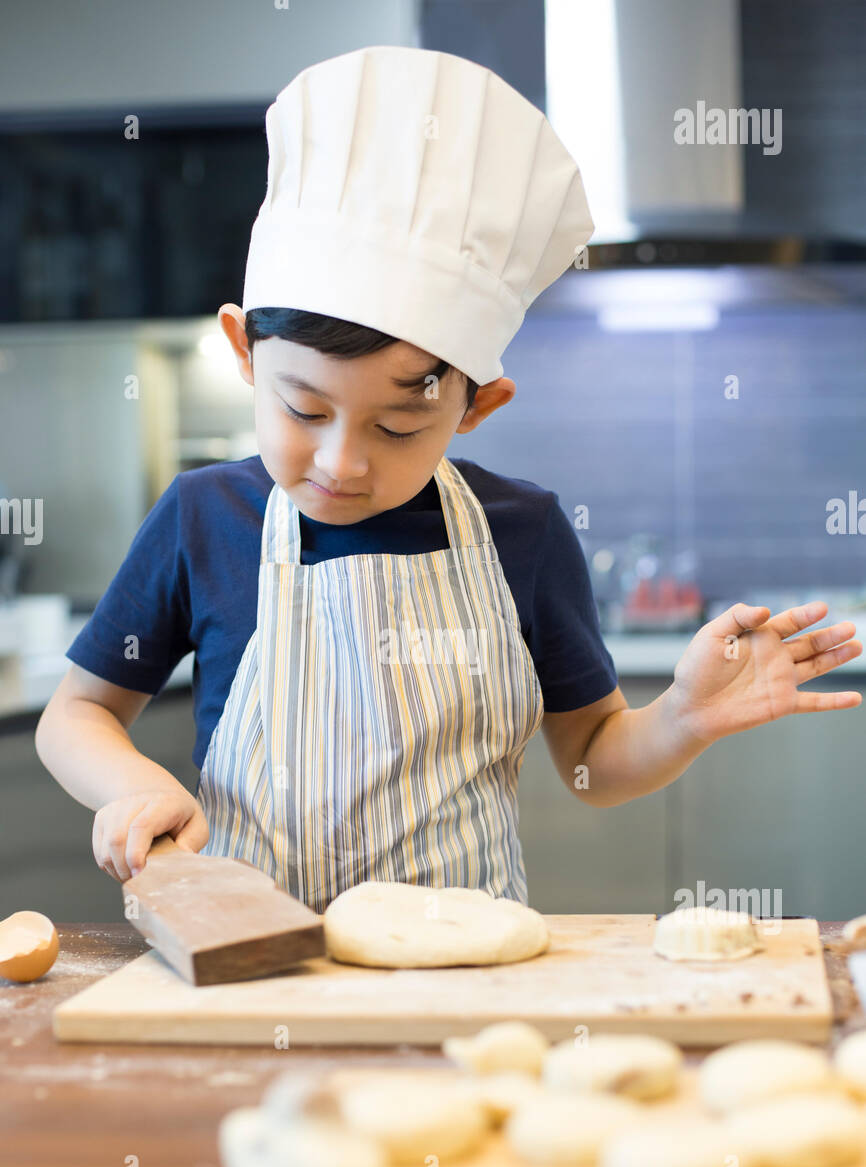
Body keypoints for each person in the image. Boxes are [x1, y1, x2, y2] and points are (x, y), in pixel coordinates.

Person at [35, 46, 861, 911]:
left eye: (398, 426)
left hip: (466, 984)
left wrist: (681, 720)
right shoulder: (203, 517)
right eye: (305, 411)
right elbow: (76, 715)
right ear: (243, 351)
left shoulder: (524, 531)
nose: (343, 462)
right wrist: (128, 785)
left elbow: (591, 762)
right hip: (249, 966)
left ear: (477, 406)